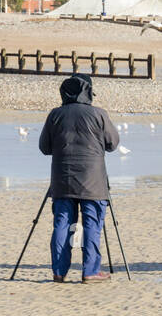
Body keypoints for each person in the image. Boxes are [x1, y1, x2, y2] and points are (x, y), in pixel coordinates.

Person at [38, 73, 119, 283]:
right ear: (88, 92)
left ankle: (59, 271)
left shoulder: (55, 114)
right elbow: (113, 144)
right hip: (93, 182)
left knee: (62, 223)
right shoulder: (98, 114)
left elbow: (44, 148)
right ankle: (91, 271)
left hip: (62, 179)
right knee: (92, 223)